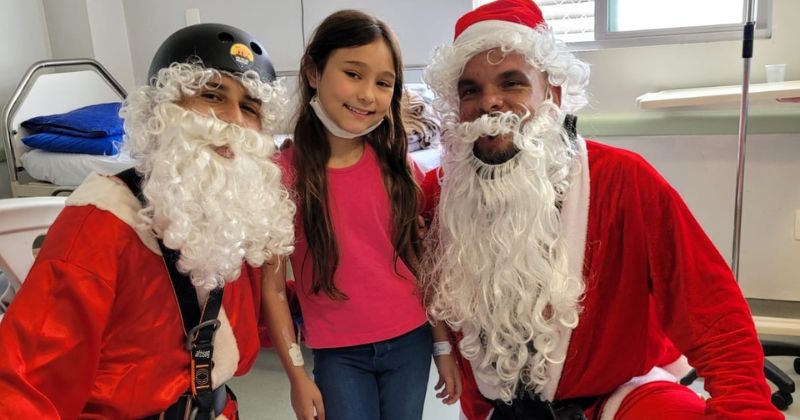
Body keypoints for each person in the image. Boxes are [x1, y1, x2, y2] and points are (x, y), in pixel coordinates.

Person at [420, 1, 783, 419]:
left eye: (512, 83)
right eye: (471, 90)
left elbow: (712, 311)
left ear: (552, 94)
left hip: (619, 399)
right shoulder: (439, 195)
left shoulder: (622, 179)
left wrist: (744, 410)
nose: (490, 103)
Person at [0, 23, 295, 419]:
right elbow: (24, 387)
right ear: (162, 110)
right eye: (211, 95)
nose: (233, 121)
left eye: (250, 107)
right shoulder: (98, 226)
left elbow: (253, 317)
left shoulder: (230, 210)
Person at [262, 10, 460, 420]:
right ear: (314, 73)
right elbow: (274, 288)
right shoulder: (281, 175)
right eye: (353, 74)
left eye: (383, 82)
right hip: (338, 353)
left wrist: (441, 346)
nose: (368, 94)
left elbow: (422, 263)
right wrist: (297, 375)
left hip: (411, 340)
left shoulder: (399, 168)